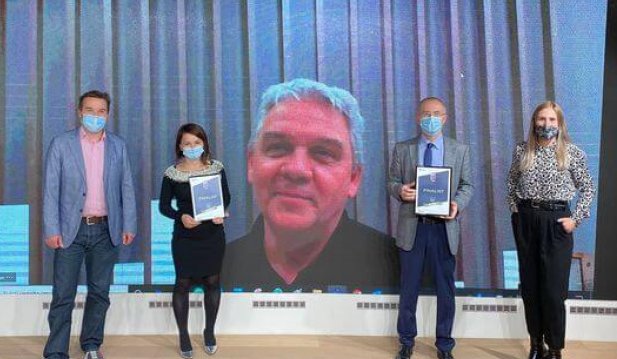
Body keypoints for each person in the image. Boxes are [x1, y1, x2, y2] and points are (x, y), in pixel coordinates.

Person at [223, 78, 397, 292]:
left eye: (323, 153)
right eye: (277, 147)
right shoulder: (214, 269)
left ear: (353, 178)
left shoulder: (402, 271)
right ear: (251, 164)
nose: (297, 170)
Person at [42, 90, 137, 359]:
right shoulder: (61, 144)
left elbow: (126, 187)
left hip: (107, 230)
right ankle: (56, 351)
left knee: (99, 292)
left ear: (108, 114)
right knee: (63, 294)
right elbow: (51, 189)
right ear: (79, 112)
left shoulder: (118, 145)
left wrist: (128, 224)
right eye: (90, 110)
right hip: (70, 231)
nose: (95, 116)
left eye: (101, 111)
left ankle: (92, 345)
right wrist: (51, 229)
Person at [507, 101, 595, 359]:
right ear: (534, 122)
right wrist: (516, 213)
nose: (546, 124)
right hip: (527, 220)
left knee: (554, 292)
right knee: (532, 289)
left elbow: (587, 188)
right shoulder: (522, 151)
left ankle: (554, 348)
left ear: (559, 124)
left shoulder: (571, 152)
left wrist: (575, 219)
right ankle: (536, 345)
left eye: (552, 120)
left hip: (557, 222)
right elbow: (511, 183)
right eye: (542, 119)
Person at [388, 97, 474, 359]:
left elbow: (467, 186)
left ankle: (445, 345)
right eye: (426, 113)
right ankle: (406, 342)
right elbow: (391, 181)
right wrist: (399, 190)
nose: (431, 118)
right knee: (409, 288)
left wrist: (457, 205)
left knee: (446, 290)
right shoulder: (403, 149)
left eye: (437, 114)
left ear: (445, 118)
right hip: (413, 227)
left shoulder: (460, 150)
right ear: (418, 117)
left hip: (444, 228)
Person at [159, 123, 231, 358]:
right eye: (187, 143)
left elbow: (226, 197)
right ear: (180, 146)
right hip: (184, 237)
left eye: (197, 143)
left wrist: (222, 213)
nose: (192, 147)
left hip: (212, 236)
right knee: (182, 284)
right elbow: (164, 207)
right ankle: (183, 335)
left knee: (212, 282)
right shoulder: (172, 173)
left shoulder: (216, 168)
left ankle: (209, 331)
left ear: (204, 144)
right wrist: (181, 216)